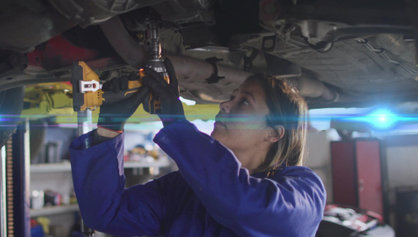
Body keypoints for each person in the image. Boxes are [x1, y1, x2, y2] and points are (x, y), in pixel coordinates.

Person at [70, 59, 326, 237]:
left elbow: (241, 203)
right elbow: (107, 214)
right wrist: (109, 128)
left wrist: (176, 123)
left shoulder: (303, 191)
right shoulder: (184, 188)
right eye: (232, 97)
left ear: (274, 133)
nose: (225, 105)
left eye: (244, 102)